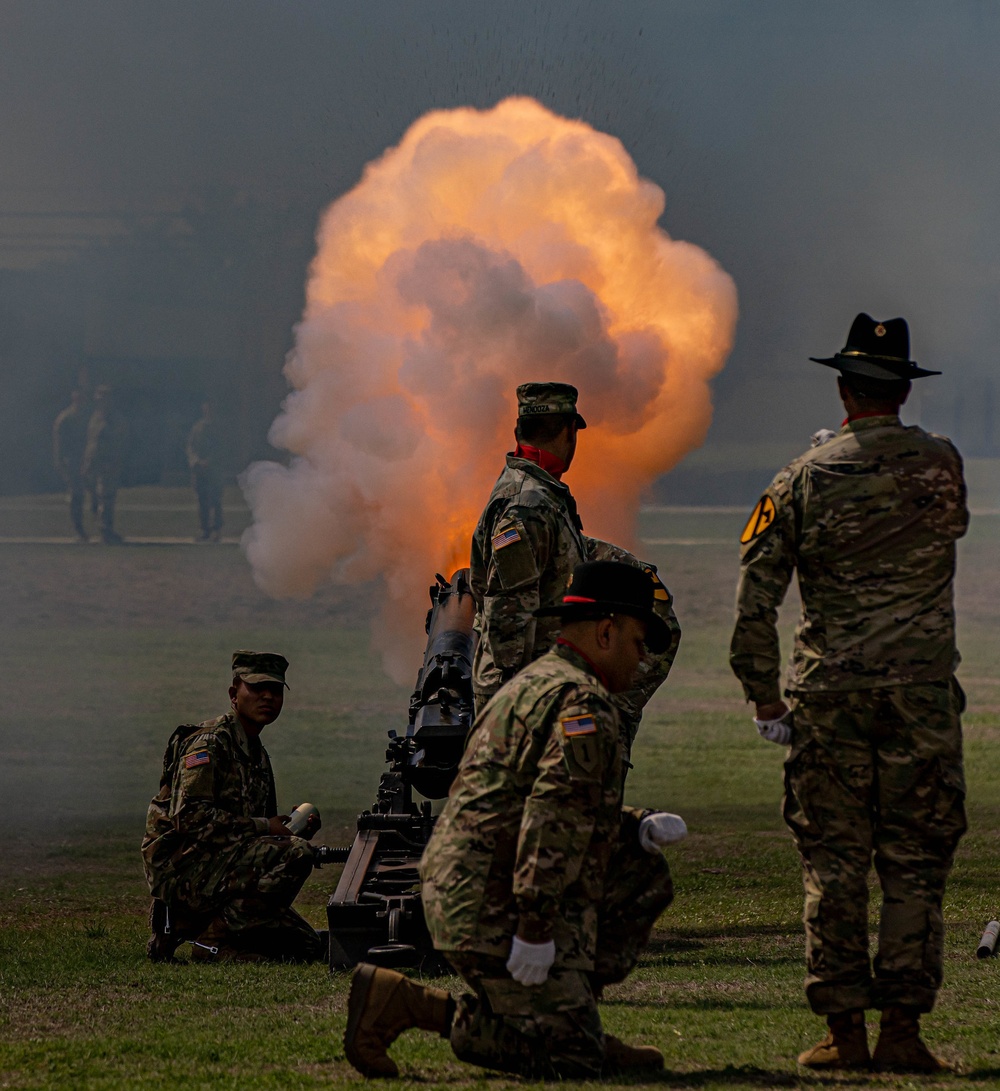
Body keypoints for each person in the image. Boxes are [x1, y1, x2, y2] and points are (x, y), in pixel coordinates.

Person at [729, 314, 968, 1073]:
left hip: (831, 696)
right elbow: (949, 522)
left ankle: (845, 1032)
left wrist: (764, 696)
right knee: (913, 862)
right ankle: (903, 1028)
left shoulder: (800, 478)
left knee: (833, 864)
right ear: (902, 389)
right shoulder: (942, 465)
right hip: (921, 698)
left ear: (843, 388)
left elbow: (755, 596)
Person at [344, 560, 687, 1080]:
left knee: (638, 866)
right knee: (572, 1063)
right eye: (640, 643)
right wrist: (533, 927)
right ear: (606, 630)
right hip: (486, 902)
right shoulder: (584, 703)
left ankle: (569, 1017)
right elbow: (551, 819)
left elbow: (525, 800)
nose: (642, 661)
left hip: (461, 884)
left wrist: (632, 824)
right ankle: (411, 1006)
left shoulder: (533, 683)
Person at [470, 381, 681, 745]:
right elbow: (509, 624)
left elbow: (557, 556)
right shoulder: (527, 504)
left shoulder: (538, 493)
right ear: (570, 432)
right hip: (530, 708)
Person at [141, 650, 325, 963]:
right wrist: (269, 829)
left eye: (276, 690)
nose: (267, 696)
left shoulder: (257, 754)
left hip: (221, 869)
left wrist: (290, 826)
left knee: (308, 948)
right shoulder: (209, 744)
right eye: (256, 688)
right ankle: (211, 941)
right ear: (233, 694)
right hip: (185, 869)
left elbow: (257, 833)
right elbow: (189, 819)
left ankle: (183, 928)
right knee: (296, 854)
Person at [82, 384, 127, 544]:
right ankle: (101, 528)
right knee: (95, 498)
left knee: (106, 498)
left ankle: (106, 530)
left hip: (108, 465)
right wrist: (87, 463)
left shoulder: (116, 420)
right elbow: (91, 442)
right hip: (93, 464)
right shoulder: (95, 417)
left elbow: (118, 443)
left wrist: (112, 462)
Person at [52, 389, 90, 541]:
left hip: (86, 460)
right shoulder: (66, 418)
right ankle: (78, 528)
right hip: (72, 462)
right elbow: (59, 443)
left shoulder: (88, 417)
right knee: (76, 495)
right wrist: (60, 463)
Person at [186, 401, 224, 541]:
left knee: (215, 500)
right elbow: (190, 446)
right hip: (199, 471)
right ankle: (204, 530)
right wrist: (195, 461)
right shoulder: (197, 427)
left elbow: (221, 448)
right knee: (202, 501)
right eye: (206, 408)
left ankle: (216, 530)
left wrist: (210, 461)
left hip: (214, 471)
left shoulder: (218, 428)